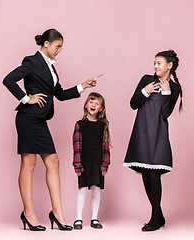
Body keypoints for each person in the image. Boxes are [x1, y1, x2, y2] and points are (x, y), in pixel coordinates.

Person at [3, 29, 103, 231]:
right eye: (57, 46)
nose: (59, 50)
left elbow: (60, 94)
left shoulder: (51, 69)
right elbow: (9, 80)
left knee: (53, 161)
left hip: (40, 121)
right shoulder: (31, 61)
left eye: (61, 47)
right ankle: (28, 214)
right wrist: (26, 98)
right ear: (46, 44)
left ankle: (57, 214)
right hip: (28, 118)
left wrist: (82, 86)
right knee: (29, 163)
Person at [123, 50, 183, 231]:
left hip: (158, 134)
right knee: (145, 172)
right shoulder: (145, 80)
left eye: (159, 63)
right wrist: (145, 91)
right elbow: (133, 103)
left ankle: (155, 218)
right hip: (142, 132)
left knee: (154, 172)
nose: (155, 66)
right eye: (154, 63)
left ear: (169, 65)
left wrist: (166, 93)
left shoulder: (175, 88)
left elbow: (165, 114)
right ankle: (158, 215)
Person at [72, 92, 110, 230]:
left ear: (101, 108)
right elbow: (76, 146)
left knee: (96, 189)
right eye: (91, 102)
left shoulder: (103, 125)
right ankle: (78, 219)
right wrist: (77, 165)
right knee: (82, 189)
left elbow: (105, 146)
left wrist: (105, 164)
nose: (93, 105)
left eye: (97, 103)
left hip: (98, 163)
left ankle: (94, 218)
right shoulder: (79, 125)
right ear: (86, 105)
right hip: (83, 162)